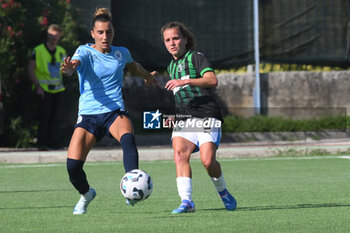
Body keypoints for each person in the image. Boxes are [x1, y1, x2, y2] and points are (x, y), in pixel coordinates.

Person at [60, 8, 158, 215]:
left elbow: (133, 66)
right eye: (101, 32)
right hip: (88, 116)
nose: (105, 36)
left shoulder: (120, 53)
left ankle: (131, 189)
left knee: (128, 139)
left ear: (113, 32)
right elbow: (75, 64)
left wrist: (146, 75)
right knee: (72, 167)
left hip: (114, 111)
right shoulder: (84, 51)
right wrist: (69, 69)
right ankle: (86, 194)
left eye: (109, 32)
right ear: (93, 33)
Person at [160, 21, 237, 214]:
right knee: (179, 155)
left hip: (206, 115)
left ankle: (223, 193)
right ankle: (186, 202)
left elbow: (212, 80)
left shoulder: (196, 57)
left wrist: (186, 81)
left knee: (208, 161)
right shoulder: (171, 66)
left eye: (176, 38)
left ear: (185, 39)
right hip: (185, 118)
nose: (172, 43)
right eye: (167, 40)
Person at [28, 24, 66, 150]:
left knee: (55, 116)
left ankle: (52, 142)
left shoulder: (61, 51)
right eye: (51, 35)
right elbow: (31, 68)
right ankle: (42, 143)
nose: (53, 38)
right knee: (44, 116)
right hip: (43, 89)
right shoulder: (38, 50)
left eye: (56, 35)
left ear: (59, 36)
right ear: (47, 35)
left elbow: (66, 70)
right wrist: (37, 86)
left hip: (58, 89)